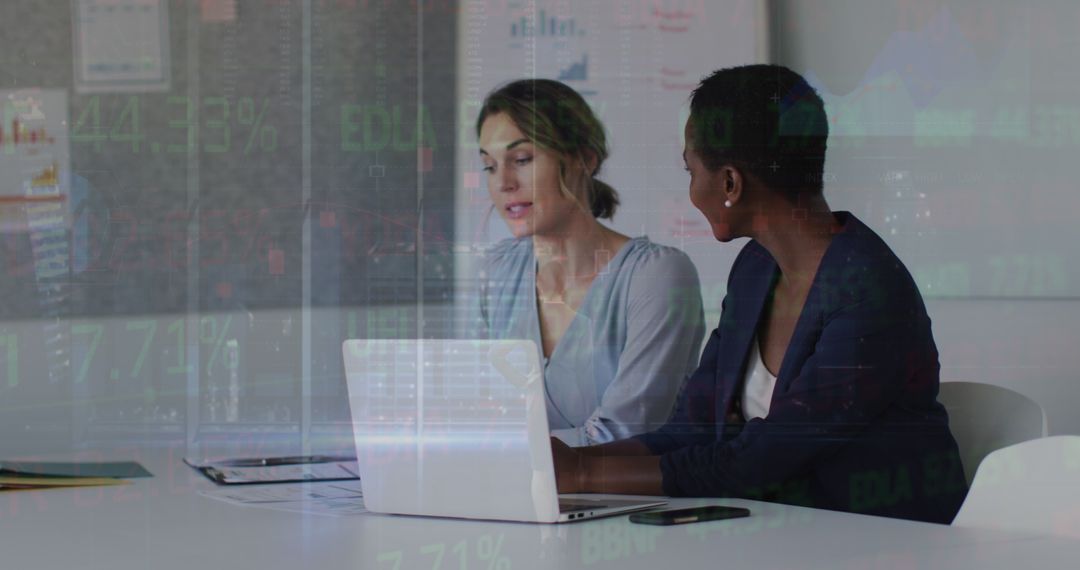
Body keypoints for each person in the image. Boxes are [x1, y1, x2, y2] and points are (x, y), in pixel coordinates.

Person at [550, 65, 968, 524]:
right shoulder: (755, 269)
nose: (690, 189)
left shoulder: (867, 292)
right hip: (780, 532)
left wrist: (584, 473)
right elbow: (692, 429)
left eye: (691, 170)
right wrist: (569, 465)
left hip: (884, 542)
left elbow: (757, 462)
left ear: (730, 182)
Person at [471, 79, 705, 446]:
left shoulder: (656, 275)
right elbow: (480, 417)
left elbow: (627, 434)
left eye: (521, 160)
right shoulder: (496, 272)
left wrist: (500, 451)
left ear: (584, 158)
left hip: (637, 500)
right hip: (517, 498)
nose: (503, 183)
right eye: (489, 166)